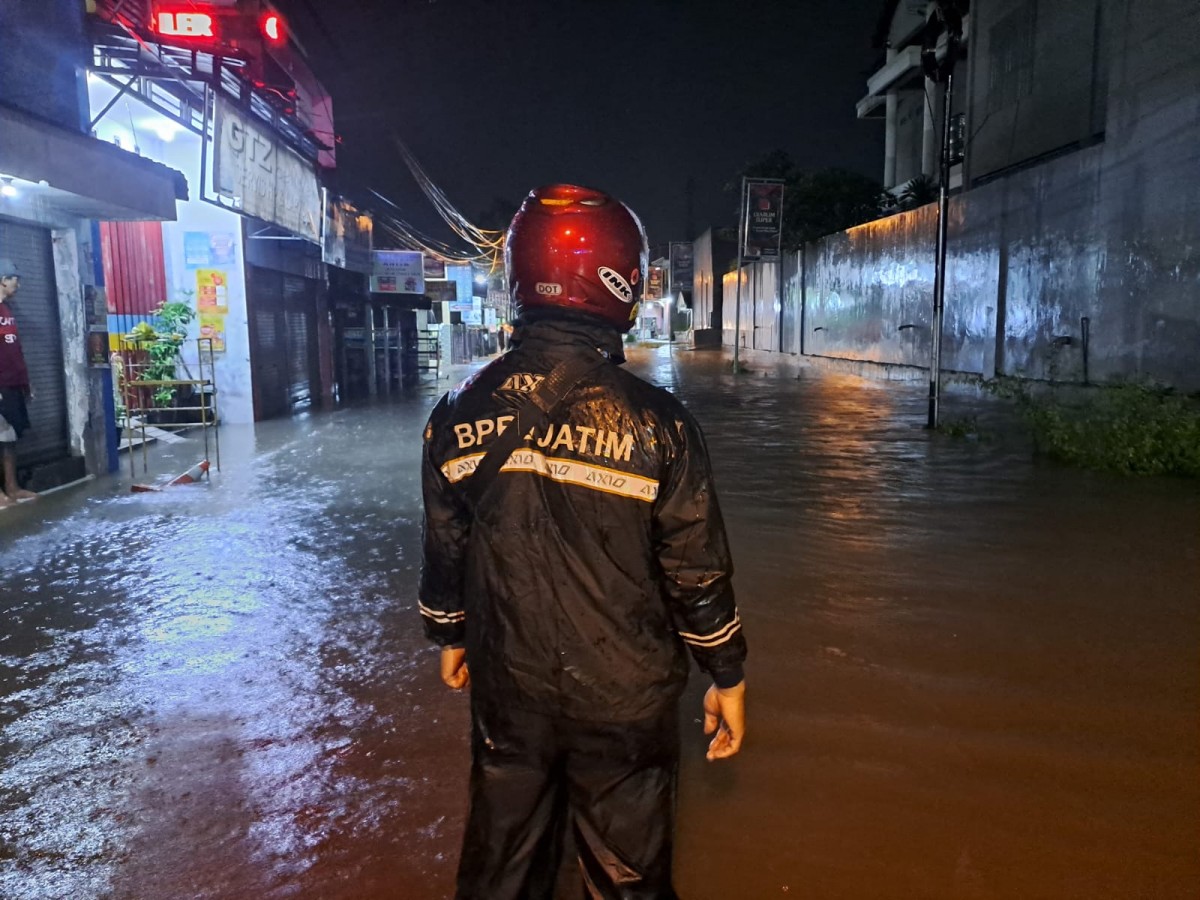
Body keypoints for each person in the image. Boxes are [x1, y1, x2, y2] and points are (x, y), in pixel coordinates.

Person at [419, 184, 747, 899]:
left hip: (509, 685)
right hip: (627, 697)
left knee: (502, 868)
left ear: (519, 276)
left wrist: (450, 635)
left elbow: (446, 547)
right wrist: (726, 674)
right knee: (626, 879)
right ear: (621, 281)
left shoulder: (455, 412)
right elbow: (695, 570)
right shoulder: (661, 422)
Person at [0, 258, 36, 507]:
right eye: (15, 279)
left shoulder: (6, 311)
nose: (18, 285)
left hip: (13, 385)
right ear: (3, 280)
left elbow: (14, 351)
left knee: (9, 438)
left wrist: (25, 383)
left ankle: (12, 488)